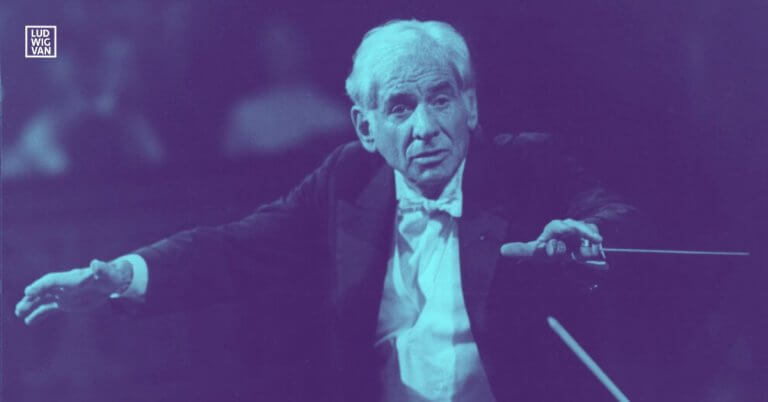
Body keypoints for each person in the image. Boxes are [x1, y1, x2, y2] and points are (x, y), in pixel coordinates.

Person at [15, 19, 633, 401]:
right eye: (400, 108)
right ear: (366, 128)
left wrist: (589, 233)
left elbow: (616, 213)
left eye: (441, 99)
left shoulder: (526, 166)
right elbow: (235, 247)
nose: (425, 127)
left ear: (469, 106)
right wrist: (120, 275)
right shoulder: (347, 181)